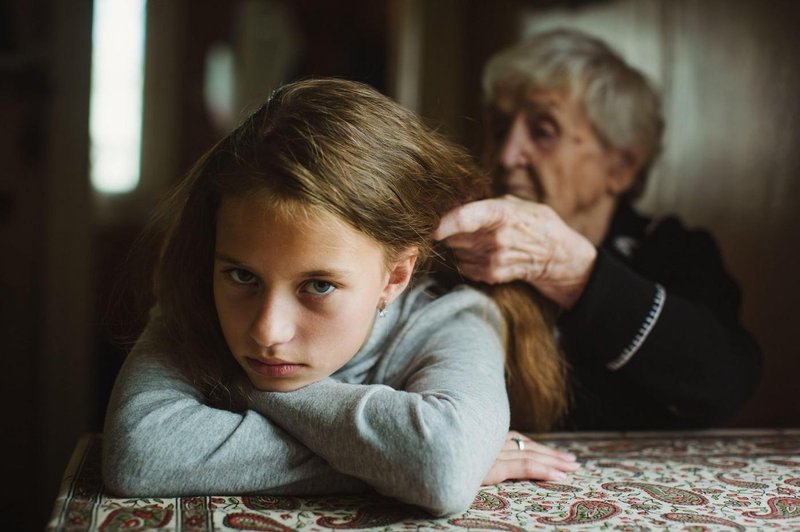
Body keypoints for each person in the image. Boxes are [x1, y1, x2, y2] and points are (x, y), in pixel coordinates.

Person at [101, 78, 578, 516]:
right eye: (243, 277)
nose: (267, 330)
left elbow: (442, 468)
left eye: (319, 286)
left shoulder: (453, 319)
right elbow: (137, 453)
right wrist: (391, 463)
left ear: (394, 277)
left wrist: (235, 384)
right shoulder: (196, 299)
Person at [435, 30, 762, 435]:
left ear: (620, 167)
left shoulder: (672, 249)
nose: (507, 154)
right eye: (501, 128)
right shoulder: (459, 245)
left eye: (543, 131)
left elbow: (725, 383)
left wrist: (568, 270)